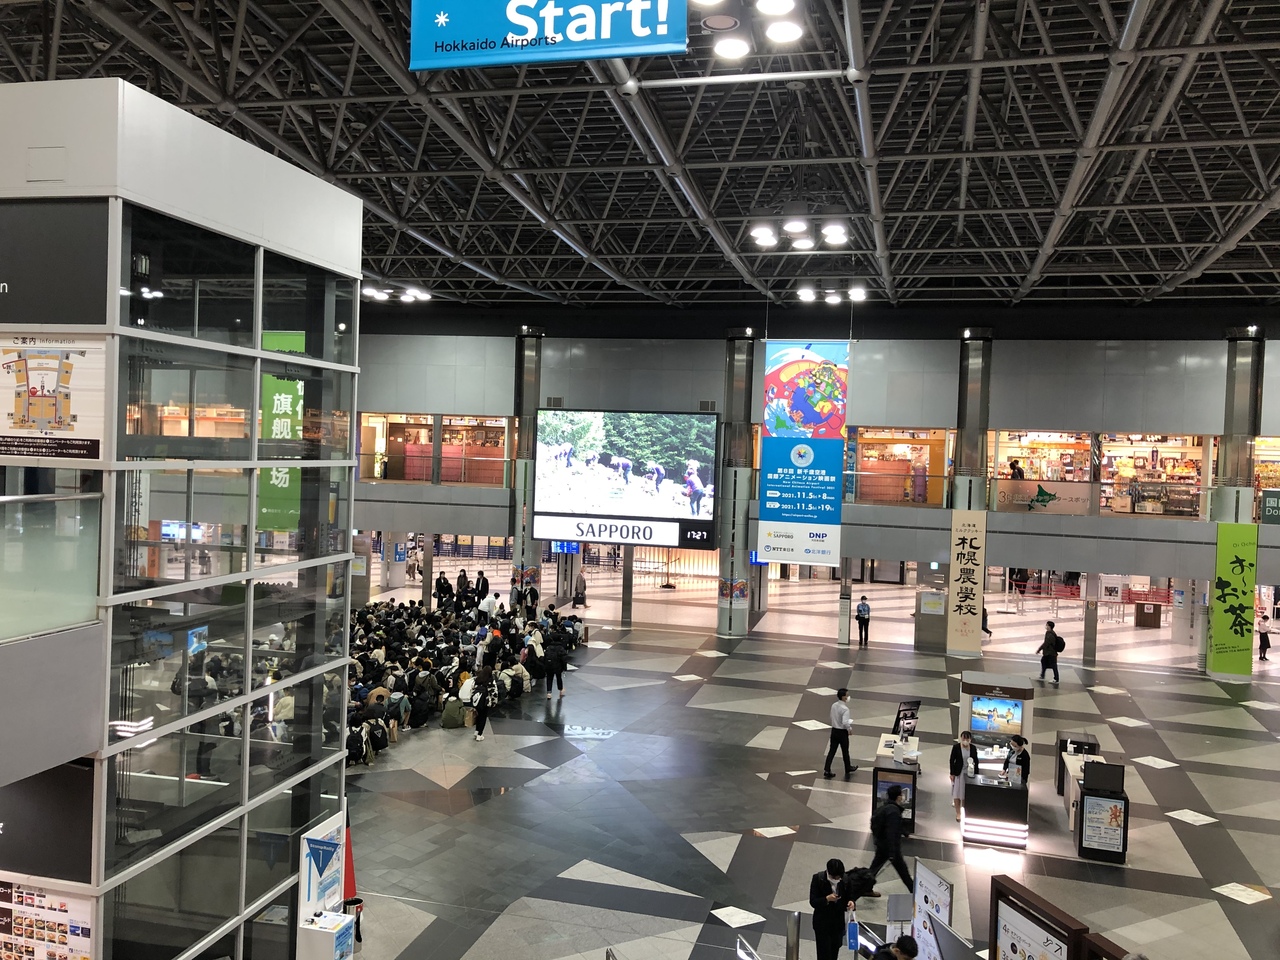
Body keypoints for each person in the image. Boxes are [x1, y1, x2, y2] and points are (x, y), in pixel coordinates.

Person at [868, 785, 914, 890]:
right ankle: (913, 890)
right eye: (901, 795)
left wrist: (905, 833)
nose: (902, 797)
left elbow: (894, 825)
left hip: (881, 844)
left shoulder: (887, 807)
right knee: (903, 870)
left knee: (874, 868)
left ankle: (866, 887)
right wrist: (892, 852)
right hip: (889, 847)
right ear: (898, 797)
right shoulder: (894, 811)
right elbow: (891, 832)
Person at [809, 858, 853, 960]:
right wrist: (826, 899)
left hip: (838, 923)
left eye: (839, 877)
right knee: (823, 954)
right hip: (822, 924)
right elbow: (813, 901)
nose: (837, 879)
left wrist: (851, 902)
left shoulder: (845, 880)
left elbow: (850, 896)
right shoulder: (818, 879)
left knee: (834, 952)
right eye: (834, 877)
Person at [823, 688, 857, 779]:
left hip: (834, 730)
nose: (848, 697)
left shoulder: (834, 705)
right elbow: (845, 722)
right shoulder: (845, 709)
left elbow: (831, 716)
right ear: (843, 697)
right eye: (847, 695)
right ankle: (848, 767)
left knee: (832, 751)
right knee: (845, 751)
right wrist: (849, 729)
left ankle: (827, 769)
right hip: (842, 732)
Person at [949, 730, 977, 822]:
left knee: (965, 794)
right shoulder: (956, 747)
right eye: (964, 738)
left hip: (969, 773)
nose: (965, 741)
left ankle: (964, 811)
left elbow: (976, 761)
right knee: (957, 793)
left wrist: (976, 774)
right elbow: (952, 760)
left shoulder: (973, 748)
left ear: (970, 739)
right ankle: (958, 813)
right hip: (959, 773)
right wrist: (952, 773)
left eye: (967, 739)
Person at [544, 634, 568, 698]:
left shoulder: (548, 647)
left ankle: (549, 693)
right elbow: (564, 659)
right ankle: (561, 690)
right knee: (559, 677)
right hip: (558, 666)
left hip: (549, 665)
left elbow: (545, 657)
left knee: (549, 678)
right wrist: (564, 668)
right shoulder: (561, 648)